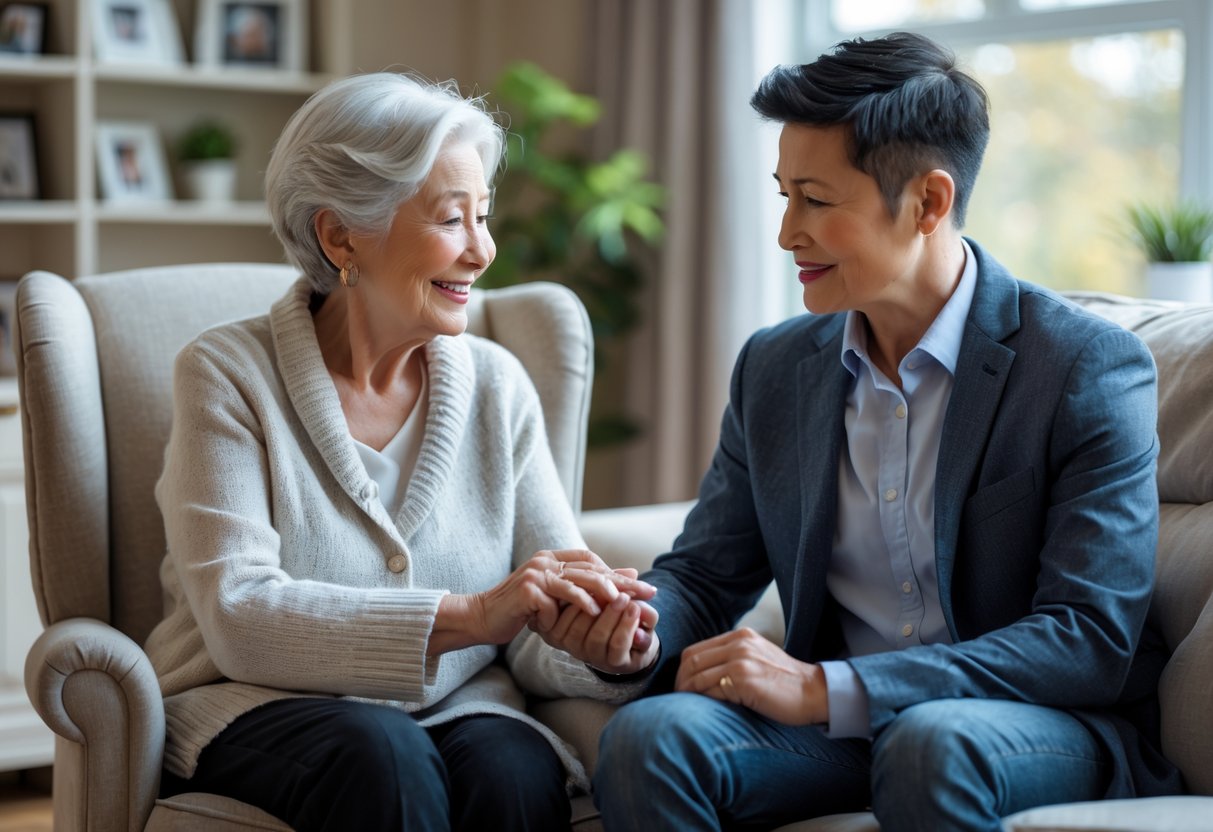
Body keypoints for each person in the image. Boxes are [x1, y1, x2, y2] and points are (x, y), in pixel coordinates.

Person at [530, 32, 1185, 831]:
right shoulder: (775, 368)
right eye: (783, 196)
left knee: (929, 741)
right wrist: (629, 631)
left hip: (1025, 727)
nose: (786, 233)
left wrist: (829, 690)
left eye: (817, 199)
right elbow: (705, 576)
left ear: (928, 202)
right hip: (835, 730)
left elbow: (1086, 636)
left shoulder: (1083, 366)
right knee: (651, 738)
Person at [141, 72, 657, 832]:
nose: (482, 251)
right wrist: (474, 613)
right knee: (380, 755)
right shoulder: (226, 375)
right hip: (254, 706)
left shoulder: (497, 385)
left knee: (515, 772)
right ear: (340, 235)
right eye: (452, 220)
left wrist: (604, 643)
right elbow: (239, 617)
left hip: (463, 705)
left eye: (483, 217)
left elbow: (546, 612)